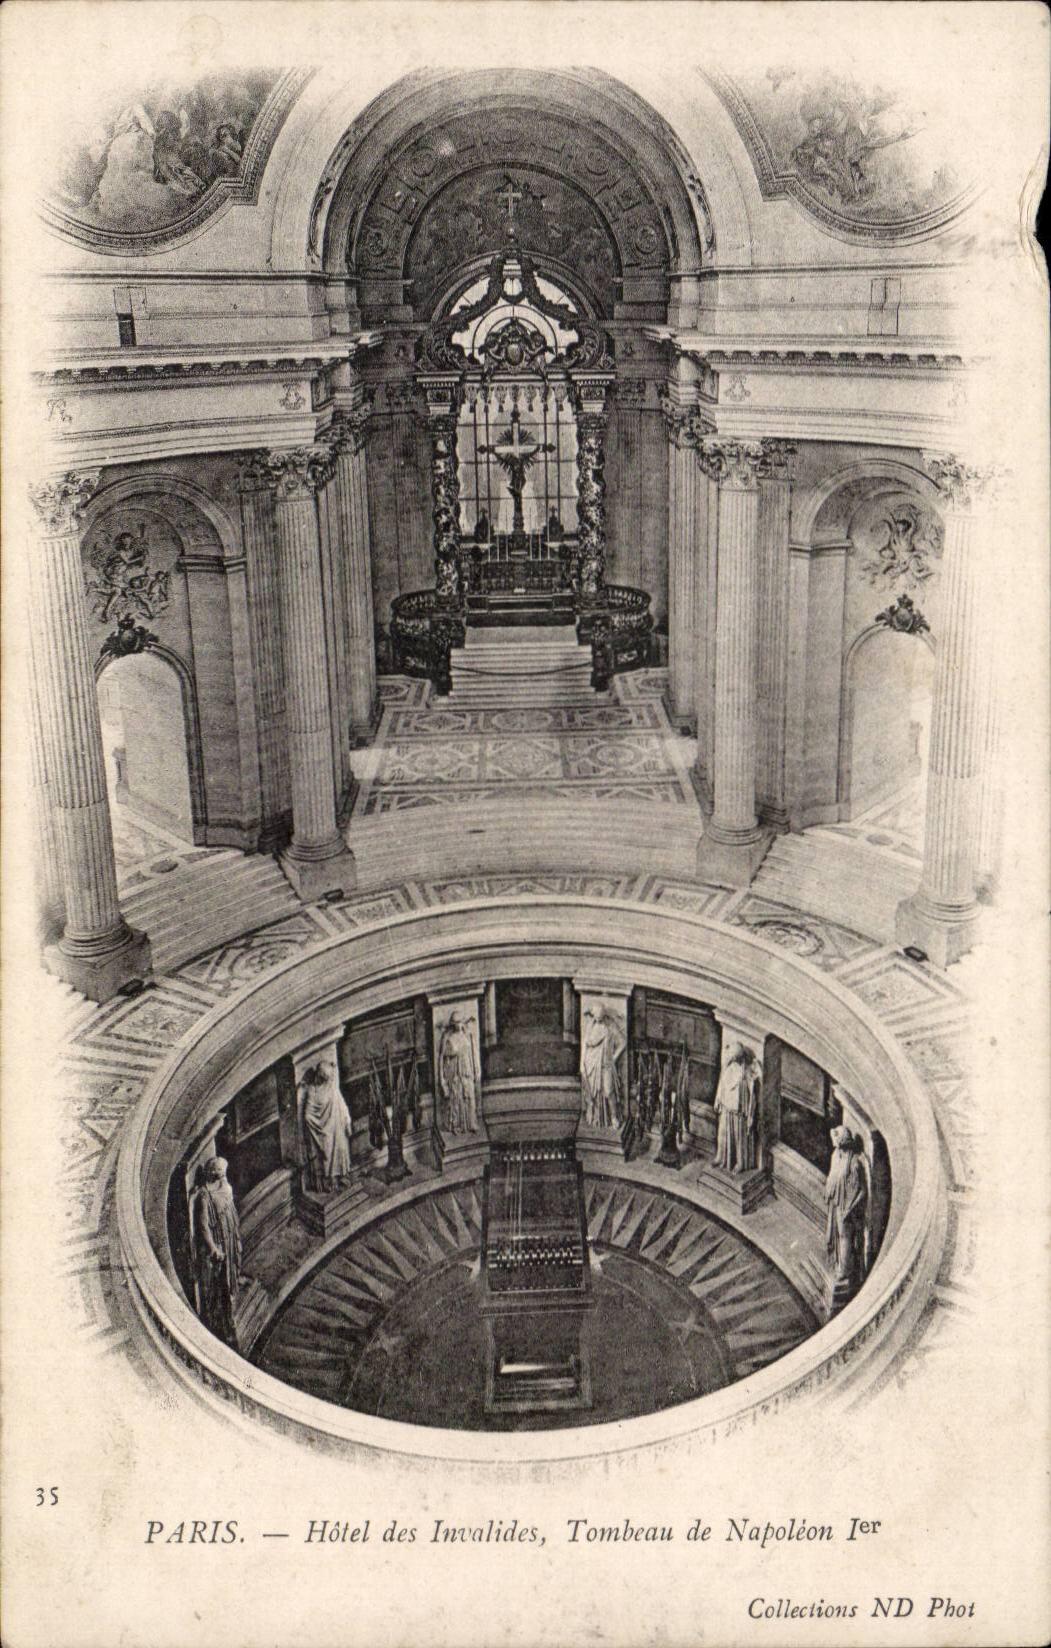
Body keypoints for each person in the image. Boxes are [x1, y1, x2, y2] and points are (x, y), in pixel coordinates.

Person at [189, 1157, 244, 1349]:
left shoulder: (224, 1186)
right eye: (221, 1172)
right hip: (219, 1245)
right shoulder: (205, 1197)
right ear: (214, 1173)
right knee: (218, 1288)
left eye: (224, 1172)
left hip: (228, 1239)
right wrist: (213, 1248)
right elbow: (203, 1227)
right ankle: (221, 1325)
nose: (224, 1176)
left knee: (229, 1278)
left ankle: (228, 1317)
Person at [824, 1125, 870, 1308]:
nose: (834, 1143)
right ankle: (838, 1264)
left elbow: (863, 1192)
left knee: (845, 1238)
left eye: (837, 1139)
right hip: (836, 1202)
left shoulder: (854, 1163)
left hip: (847, 1208)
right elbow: (832, 1176)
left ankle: (844, 1270)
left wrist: (850, 1210)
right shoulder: (836, 1156)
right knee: (837, 1236)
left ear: (843, 1141)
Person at [299, 1061, 353, 1192]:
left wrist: (347, 1121)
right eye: (324, 1078)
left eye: (327, 1079)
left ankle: (341, 1176)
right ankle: (330, 1180)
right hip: (323, 1131)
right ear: (319, 1075)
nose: (327, 1081)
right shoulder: (312, 1091)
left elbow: (342, 1104)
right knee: (327, 1154)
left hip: (337, 1125)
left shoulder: (332, 1088)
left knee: (340, 1149)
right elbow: (307, 1114)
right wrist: (318, 1126)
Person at [712, 1044, 761, 1174]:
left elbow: (753, 1095)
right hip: (727, 1108)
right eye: (733, 1057)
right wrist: (718, 1099)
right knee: (723, 1134)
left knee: (740, 1139)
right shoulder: (728, 1068)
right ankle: (721, 1156)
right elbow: (722, 1084)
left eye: (735, 1057)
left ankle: (740, 1163)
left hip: (740, 1113)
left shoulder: (747, 1072)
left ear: (741, 1057)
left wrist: (750, 1115)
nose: (733, 1059)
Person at [580, 1006, 625, 1129]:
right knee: (592, 1092)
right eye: (597, 1018)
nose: (599, 1020)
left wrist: (613, 1059)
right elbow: (585, 1046)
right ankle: (595, 1115)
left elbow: (622, 1043)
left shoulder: (611, 1027)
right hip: (591, 1064)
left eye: (601, 1018)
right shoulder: (590, 1027)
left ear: (604, 1016)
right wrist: (582, 1064)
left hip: (606, 1065)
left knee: (609, 1091)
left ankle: (614, 1117)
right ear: (594, 1016)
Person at [438, 1011, 480, 1134]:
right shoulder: (449, 1038)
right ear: (452, 1024)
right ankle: (456, 1125)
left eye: (459, 1022)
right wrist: (443, 1079)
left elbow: (474, 1053)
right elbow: (443, 1058)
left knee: (470, 1097)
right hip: (455, 1073)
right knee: (456, 1099)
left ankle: (472, 1123)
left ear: (462, 1022)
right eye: (455, 1023)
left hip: (467, 1070)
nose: (458, 1025)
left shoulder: (468, 1036)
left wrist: (477, 1069)